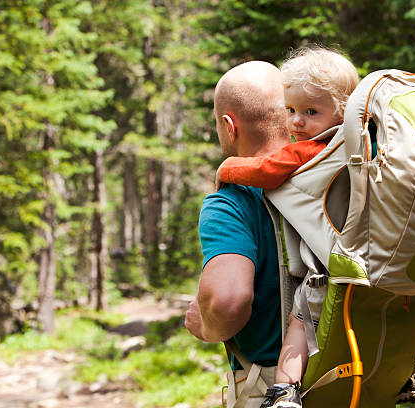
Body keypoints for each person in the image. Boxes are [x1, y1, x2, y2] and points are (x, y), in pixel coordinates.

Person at [215, 47, 415, 408]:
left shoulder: (312, 150)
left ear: (343, 109)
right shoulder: (371, 148)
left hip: (330, 267)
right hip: (381, 263)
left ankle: (285, 391)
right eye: (290, 111)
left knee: (299, 323)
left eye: (310, 112)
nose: (297, 123)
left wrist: (226, 170)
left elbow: (265, 171)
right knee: (381, 316)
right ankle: (407, 374)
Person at [184, 60, 291, 407]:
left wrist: (205, 326)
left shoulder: (231, 202)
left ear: (229, 126)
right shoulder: (334, 182)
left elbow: (227, 303)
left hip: (277, 393)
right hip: (358, 381)